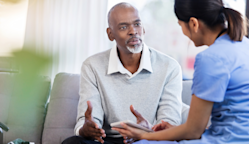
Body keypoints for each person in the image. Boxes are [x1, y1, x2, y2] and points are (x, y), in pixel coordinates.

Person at [112, 0, 249, 144]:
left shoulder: (210, 58)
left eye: (181, 26)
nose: (184, 33)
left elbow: (194, 131)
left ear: (194, 24)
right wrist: (173, 131)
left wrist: (143, 135)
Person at [62, 2, 184, 144]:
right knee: (72, 142)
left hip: (148, 140)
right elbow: (89, 121)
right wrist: (87, 129)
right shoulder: (92, 66)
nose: (133, 31)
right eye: (124, 27)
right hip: (107, 141)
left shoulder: (170, 67)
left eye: (137, 24)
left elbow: (169, 123)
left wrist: (148, 131)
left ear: (143, 29)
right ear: (110, 34)